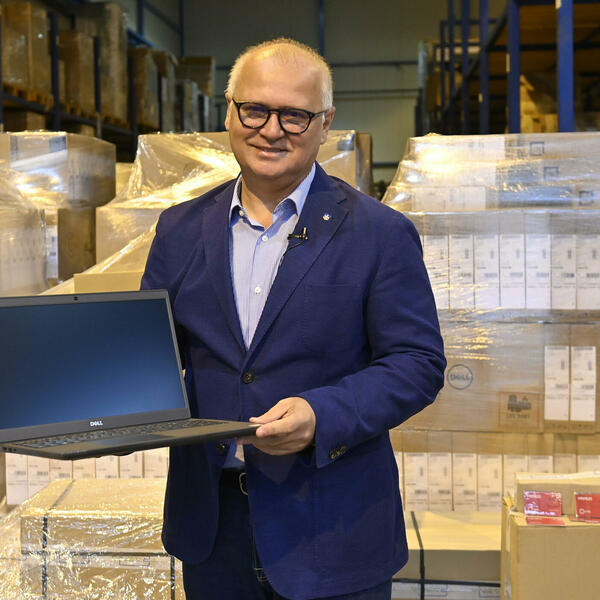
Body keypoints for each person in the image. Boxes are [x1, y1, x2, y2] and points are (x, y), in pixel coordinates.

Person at [141, 37, 445, 600]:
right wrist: (92, 407)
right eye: (254, 110)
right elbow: (152, 358)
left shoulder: (379, 234)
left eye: (294, 116)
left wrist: (320, 413)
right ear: (229, 112)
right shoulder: (179, 229)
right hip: (213, 529)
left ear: (325, 123)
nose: (271, 130)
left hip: (333, 530)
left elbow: (417, 363)